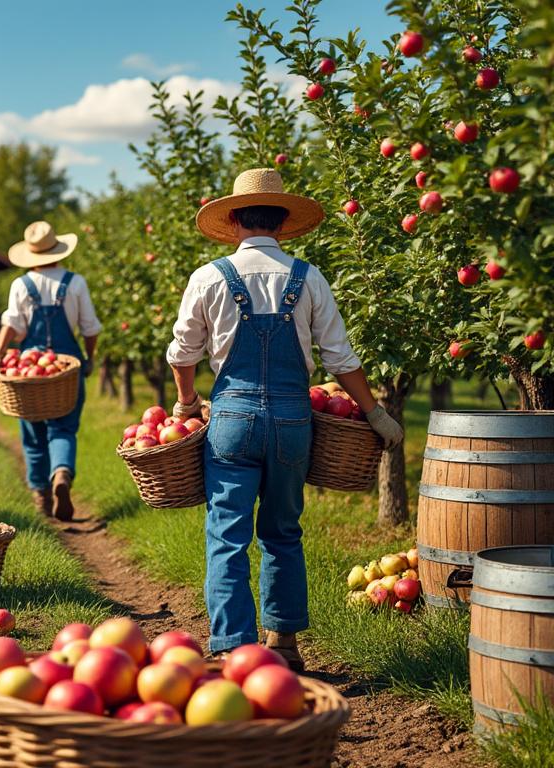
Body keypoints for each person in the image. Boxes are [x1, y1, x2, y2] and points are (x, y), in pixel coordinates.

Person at [168, 168, 404, 669]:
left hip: (232, 415)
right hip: (294, 418)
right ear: (281, 222)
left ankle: (234, 647)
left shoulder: (209, 277)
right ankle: (285, 644)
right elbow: (341, 359)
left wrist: (188, 403)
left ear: (233, 221)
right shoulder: (308, 277)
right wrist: (375, 412)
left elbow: (182, 353)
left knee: (227, 536)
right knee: (283, 531)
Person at [0, 221, 101, 521]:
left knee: (32, 432)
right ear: (58, 251)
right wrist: (89, 358)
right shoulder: (75, 283)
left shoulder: (21, 285)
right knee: (63, 428)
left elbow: (12, 325)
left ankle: (40, 494)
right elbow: (90, 328)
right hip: (67, 368)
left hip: (30, 371)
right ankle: (61, 473)